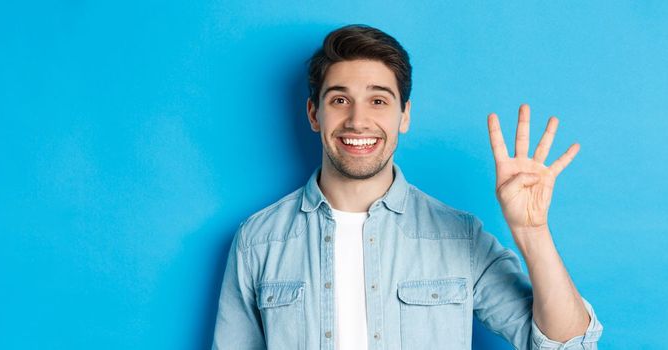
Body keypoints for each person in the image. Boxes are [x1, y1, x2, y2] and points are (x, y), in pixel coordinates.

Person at [213, 24, 603, 350]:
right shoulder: (257, 242)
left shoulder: (461, 238)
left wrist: (532, 232)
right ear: (315, 114)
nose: (358, 120)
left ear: (404, 115)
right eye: (340, 100)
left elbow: (568, 345)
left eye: (379, 101)